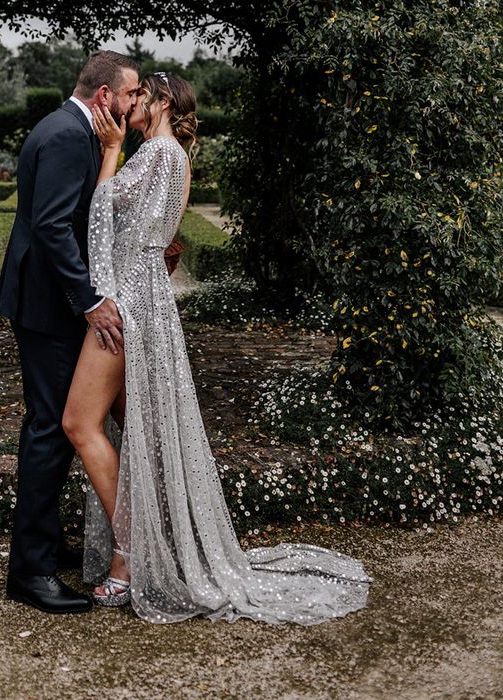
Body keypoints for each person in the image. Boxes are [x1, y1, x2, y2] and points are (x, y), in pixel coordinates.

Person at [62, 72, 373, 624]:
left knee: (79, 424)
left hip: (128, 303)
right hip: (146, 298)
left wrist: (110, 151)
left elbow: (101, 215)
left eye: (138, 97)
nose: (129, 104)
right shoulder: (173, 155)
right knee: (137, 434)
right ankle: (134, 554)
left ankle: (132, 551)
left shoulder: (157, 153)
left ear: (158, 104)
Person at [0, 51, 140, 614]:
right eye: (129, 95)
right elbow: (54, 225)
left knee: (52, 424)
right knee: (51, 429)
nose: (133, 104)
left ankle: (43, 551)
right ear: (105, 95)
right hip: (48, 307)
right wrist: (91, 301)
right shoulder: (62, 136)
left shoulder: (75, 131)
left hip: (49, 304)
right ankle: (30, 572)